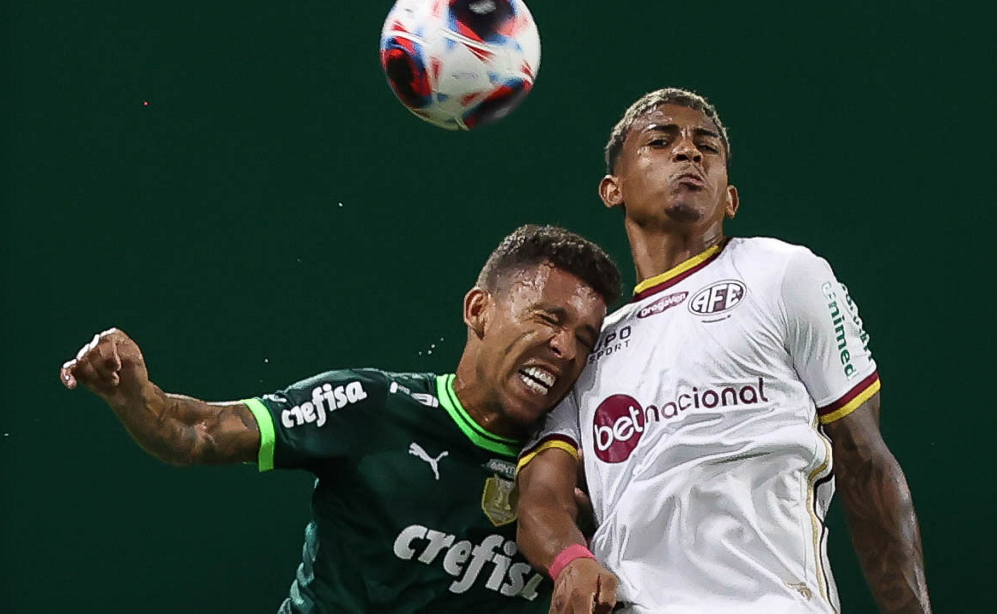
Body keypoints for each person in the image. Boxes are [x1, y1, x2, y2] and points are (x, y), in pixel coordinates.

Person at [59, 224, 621, 613]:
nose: (565, 348)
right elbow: (199, 433)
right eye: (548, 318)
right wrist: (134, 395)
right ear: (479, 311)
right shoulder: (369, 405)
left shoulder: (581, 472)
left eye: (584, 338)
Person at [515, 90, 932, 613]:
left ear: (730, 199)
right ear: (611, 189)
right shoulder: (592, 344)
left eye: (707, 147)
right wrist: (571, 558)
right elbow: (541, 497)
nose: (689, 152)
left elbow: (865, 462)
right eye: (661, 141)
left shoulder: (782, 274)